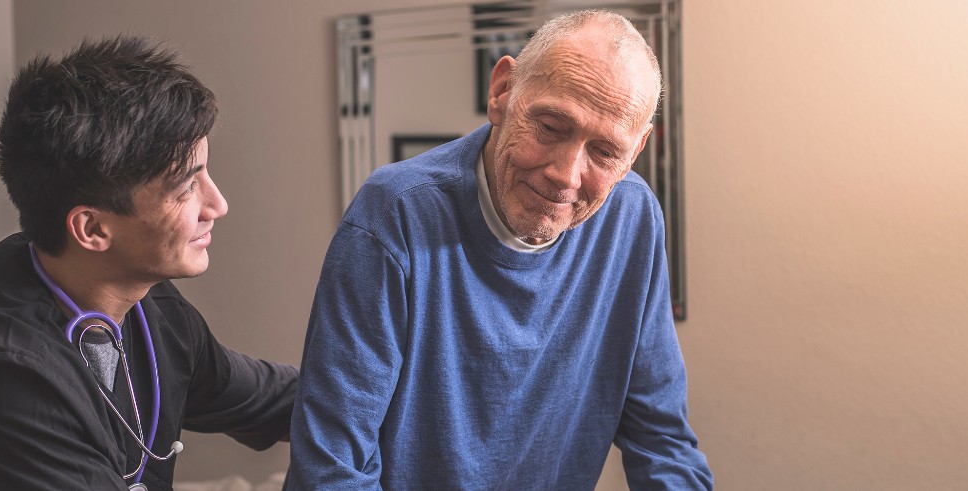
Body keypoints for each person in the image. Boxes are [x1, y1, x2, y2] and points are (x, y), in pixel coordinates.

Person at [0, 36, 297, 490]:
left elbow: (275, 399)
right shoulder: (2, 371)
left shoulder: (152, 306)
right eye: (186, 188)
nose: (218, 205)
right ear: (92, 228)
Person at [286, 9, 712, 490]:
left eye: (604, 152)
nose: (566, 175)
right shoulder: (396, 215)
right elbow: (331, 468)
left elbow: (663, 442)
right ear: (503, 91)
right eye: (551, 127)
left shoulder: (632, 219)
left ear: (635, 152)